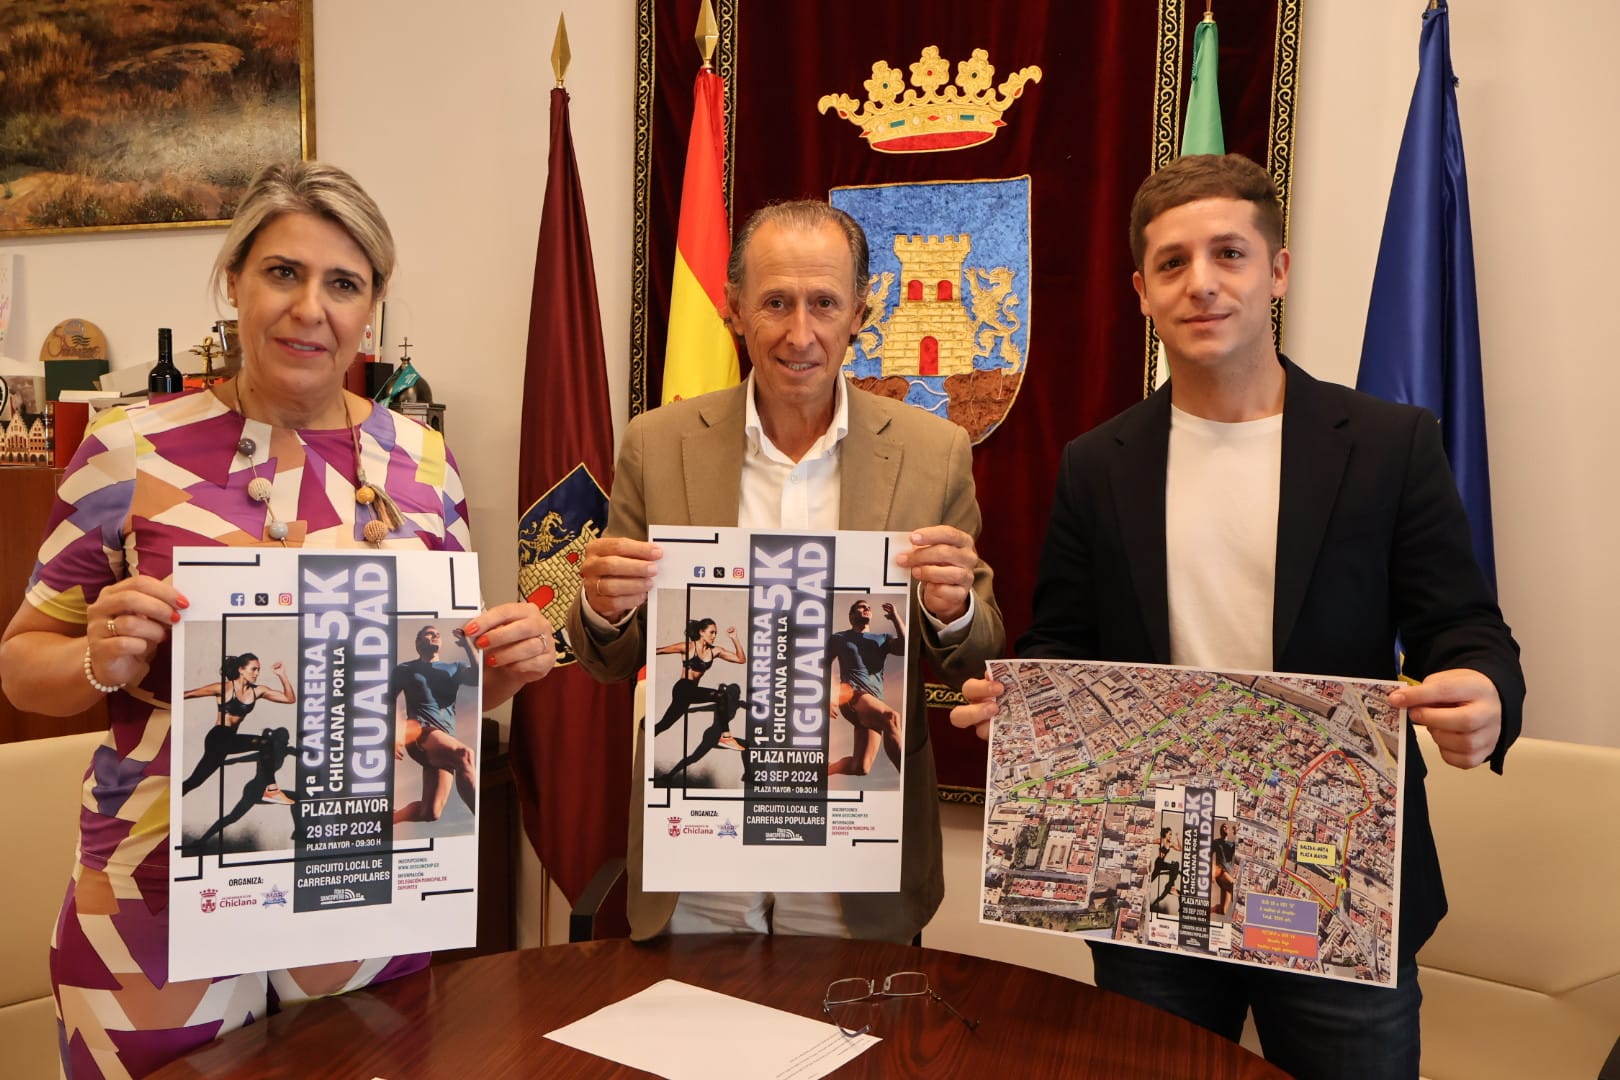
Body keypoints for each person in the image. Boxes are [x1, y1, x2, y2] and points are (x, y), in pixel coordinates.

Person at [950, 154, 1524, 1079]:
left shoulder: (1387, 445)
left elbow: (1467, 627)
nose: (1202, 283)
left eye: (1229, 253)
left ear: (1278, 270)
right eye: (1172, 264)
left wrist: (1489, 693)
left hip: (1337, 882)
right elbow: (1063, 644)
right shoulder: (1097, 464)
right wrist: (1025, 709)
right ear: (1141, 291)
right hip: (1150, 887)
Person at [0, 160, 558, 1080]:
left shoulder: (422, 461)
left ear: (371, 308)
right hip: (155, 898)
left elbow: (446, 682)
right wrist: (99, 656)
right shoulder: (129, 450)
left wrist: (503, 665)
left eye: (344, 283)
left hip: (365, 883)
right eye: (283, 273)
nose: (311, 308)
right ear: (235, 283)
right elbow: (22, 663)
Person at [568, 199, 1005, 944]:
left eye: (824, 303)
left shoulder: (934, 451)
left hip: (855, 842)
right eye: (775, 302)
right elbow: (609, 660)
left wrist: (952, 605)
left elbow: (977, 651)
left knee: (850, 1051)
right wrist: (605, 607)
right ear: (734, 309)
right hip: (702, 835)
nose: (800, 333)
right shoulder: (657, 442)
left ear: (860, 312)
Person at [391, 625, 480, 823]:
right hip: (420, 732)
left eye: (438, 634)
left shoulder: (454, 668)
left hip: (444, 738)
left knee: (431, 812)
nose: (436, 635)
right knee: (465, 755)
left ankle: (392, 818)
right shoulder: (406, 669)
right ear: (418, 642)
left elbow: (478, 677)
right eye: (429, 633)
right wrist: (396, 730)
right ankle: (484, 820)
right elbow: (389, 699)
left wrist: (467, 645)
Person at [179, 652, 294, 794]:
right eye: (253, 669)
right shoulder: (224, 688)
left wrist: (281, 674)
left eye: (258, 670)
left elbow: (289, 699)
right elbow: (187, 694)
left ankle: (271, 789)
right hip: (218, 737)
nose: (256, 673)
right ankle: (271, 789)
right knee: (265, 743)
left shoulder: (257, 691)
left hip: (230, 739)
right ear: (241, 669)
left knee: (193, 782)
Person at [651, 618, 747, 785]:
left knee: (663, 725)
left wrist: (734, 638)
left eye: (716, 633)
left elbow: (740, 659)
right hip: (682, 689)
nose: (714, 636)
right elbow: (657, 650)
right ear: (702, 632)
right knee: (720, 696)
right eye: (712, 632)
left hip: (692, 694)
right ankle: (725, 737)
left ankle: (647, 734)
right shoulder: (688, 647)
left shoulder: (714, 651)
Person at [184, 727, 299, 853]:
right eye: (280, 740)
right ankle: (201, 841)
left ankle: (201, 841)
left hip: (265, 791)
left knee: (232, 817)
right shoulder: (263, 753)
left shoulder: (285, 751)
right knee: (232, 818)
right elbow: (236, 760)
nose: (282, 743)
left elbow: (302, 753)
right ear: (274, 740)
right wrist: (216, 763)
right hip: (254, 790)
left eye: (285, 741)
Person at [826, 599, 904, 777]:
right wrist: (829, 694)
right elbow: (824, 666)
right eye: (862, 607)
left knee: (861, 768)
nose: (867, 608)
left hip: (873, 703)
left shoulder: (882, 639)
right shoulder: (840, 638)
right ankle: (909, 777)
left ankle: (827, 769)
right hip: (852, 696)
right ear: (851, 616)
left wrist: (895, 618)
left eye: (869, 607)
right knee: (891, 718)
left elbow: (906, 647)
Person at [1149, 826, 1180, 913]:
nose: (1170, 836)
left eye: (1171, 835)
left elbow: (1180, 849)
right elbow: (1151, 841)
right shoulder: (1161, 840)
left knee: (1175, 865)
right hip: (1158, 863)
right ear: (1165, 834)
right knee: (1152, 878)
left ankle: (1171, 885)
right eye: (1169, 834)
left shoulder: (1171, 844)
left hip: (1163, 863)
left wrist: (1178, 838)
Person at [1211, 822, 1237, 917]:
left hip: (1228, 875)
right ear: (1221, 831)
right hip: (1221, 873)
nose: (1225, 828)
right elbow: (1209, 857)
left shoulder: (1232, 844)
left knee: (1223, 911)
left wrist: (1237, 832)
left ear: (1229, 831)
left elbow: (1243, 847)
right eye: (1223, 827)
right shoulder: (1216, 842)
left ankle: (1211, 909)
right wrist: (1213, 873)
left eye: (1227, 827)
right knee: (1235, 887)